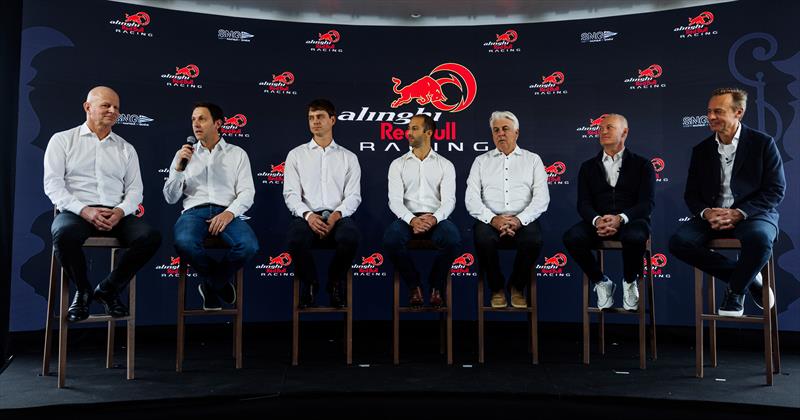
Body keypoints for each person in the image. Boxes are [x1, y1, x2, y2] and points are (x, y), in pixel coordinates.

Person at [44, 86, 162, 322]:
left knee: (149, 237)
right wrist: (84, 210)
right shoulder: (62, 140)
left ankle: (108, 289)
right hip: (77, 211)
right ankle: (84, 291)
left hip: (116, 213)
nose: (113, 111)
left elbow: (136, 190)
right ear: (88, 107)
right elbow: (53, 185)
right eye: (106, 105)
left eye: (116, 107)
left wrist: (119, 211)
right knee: (64, 233)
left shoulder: (126, 148)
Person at [669, 87, 785, 317]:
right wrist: (707, 213)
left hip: (753, 214)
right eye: (709, 111)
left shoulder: (763, 143)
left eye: (718, 111)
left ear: (738, 112)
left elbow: (775, 190)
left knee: (760, 240)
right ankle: (749, 279)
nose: (711, 117)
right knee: (679, 243)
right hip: (713, 215)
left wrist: (740, 213)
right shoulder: (701, 150)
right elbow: (691, 194)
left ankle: (735, 291)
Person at [163, 102, 258, 311]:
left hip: (227, 212)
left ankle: (210, 285)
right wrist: (179, 169)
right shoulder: (184, 154)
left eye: (202, 119)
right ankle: (219, 283)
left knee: (249, 245)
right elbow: (170, 198)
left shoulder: (237, 154)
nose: (196, 124)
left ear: (218, 124)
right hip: (193, 213)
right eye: (193, 119)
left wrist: (229, 213)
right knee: (184, 243)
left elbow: (247, 192)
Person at [562, 114, 655, 311]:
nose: (603, 131)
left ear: (625, 132)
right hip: (598, 221)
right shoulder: (587, 167)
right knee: (572, 237)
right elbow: (583, 203)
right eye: (601, 128)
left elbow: (647, 203)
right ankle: (601, 282)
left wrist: (620, 218)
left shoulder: (642, 164)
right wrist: (597, 220)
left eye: (609, 127)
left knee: (635, 236)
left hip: (631, 220)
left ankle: (630, 282)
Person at [465, 111, 549, 308]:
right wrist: (494, 219)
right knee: (483, 239)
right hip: (490, 220)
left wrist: (519, 220)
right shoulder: (481, 161)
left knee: (533, 240)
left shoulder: (533, 160)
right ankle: (497, 288)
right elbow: (472, 199)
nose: (500, 134)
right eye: (496, 130)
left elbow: (541, 198)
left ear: (516, 133)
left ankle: (517, 286)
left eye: (505, 129)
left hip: (523, 219)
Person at [283, 99, 361, 308]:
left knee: (350, 237)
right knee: (295, 239)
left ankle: (335, 283)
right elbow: (291, 194)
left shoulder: (349, 157)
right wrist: (308, 216)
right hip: (307, 215)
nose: (315, 122)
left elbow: (353, 196)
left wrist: (336, 215)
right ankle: (310, 284)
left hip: (339, 215)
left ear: (332, 120)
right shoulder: (296, 155)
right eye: (311, 118)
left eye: (320, 117)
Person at [383, 114, 461, 307]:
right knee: (391, 240)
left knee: (453, 240)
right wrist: (412, 220)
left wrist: (434, 219)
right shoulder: (397, 164)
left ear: (429, 132)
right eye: (409, 128)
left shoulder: (445, 165)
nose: (408, 132)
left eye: (415, 128)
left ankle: (436, 286)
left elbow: (449, 201)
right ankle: (414, 286)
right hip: (407, 219)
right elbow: (394, 201)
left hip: (437, 219)